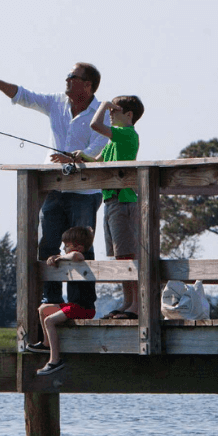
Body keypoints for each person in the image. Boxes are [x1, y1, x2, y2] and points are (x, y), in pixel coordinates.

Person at [0, 64, 110, 309]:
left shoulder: (102, 114)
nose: (67, 79)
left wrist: (75, 157)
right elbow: (24, 96)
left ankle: (81, 302)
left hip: (85, 192)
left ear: (88, 85)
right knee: (47, 244)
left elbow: (98, 149)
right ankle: (52, 299)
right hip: (54, 189)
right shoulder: (56, 102)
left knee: (80, 248)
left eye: (73, 77)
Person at [73, 95, 145, 319]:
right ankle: (127, 302)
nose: (111, 113)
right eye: (110, 109)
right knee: (120, 257)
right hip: (112, 201)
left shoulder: (127, 134)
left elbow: (95, 125)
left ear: (129, 115)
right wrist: (81, 157)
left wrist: (103, 104)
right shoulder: (114, 141)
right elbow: (98, 162)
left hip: (124, 201)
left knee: (129, 255)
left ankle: (137, 305)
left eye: (115, 110)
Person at [24, 226, 95, 375]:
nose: (63, 249)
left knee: (49, 320)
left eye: (66, 246)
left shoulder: (83, 257)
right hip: (73, 306)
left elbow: (77, 256)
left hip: (84, 308)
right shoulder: (72, 259)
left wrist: (60, 257)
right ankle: (46, 343)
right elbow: (71, 256)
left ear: (78, 247)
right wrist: (55, 258)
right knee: (43, 309)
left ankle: (55, 360)